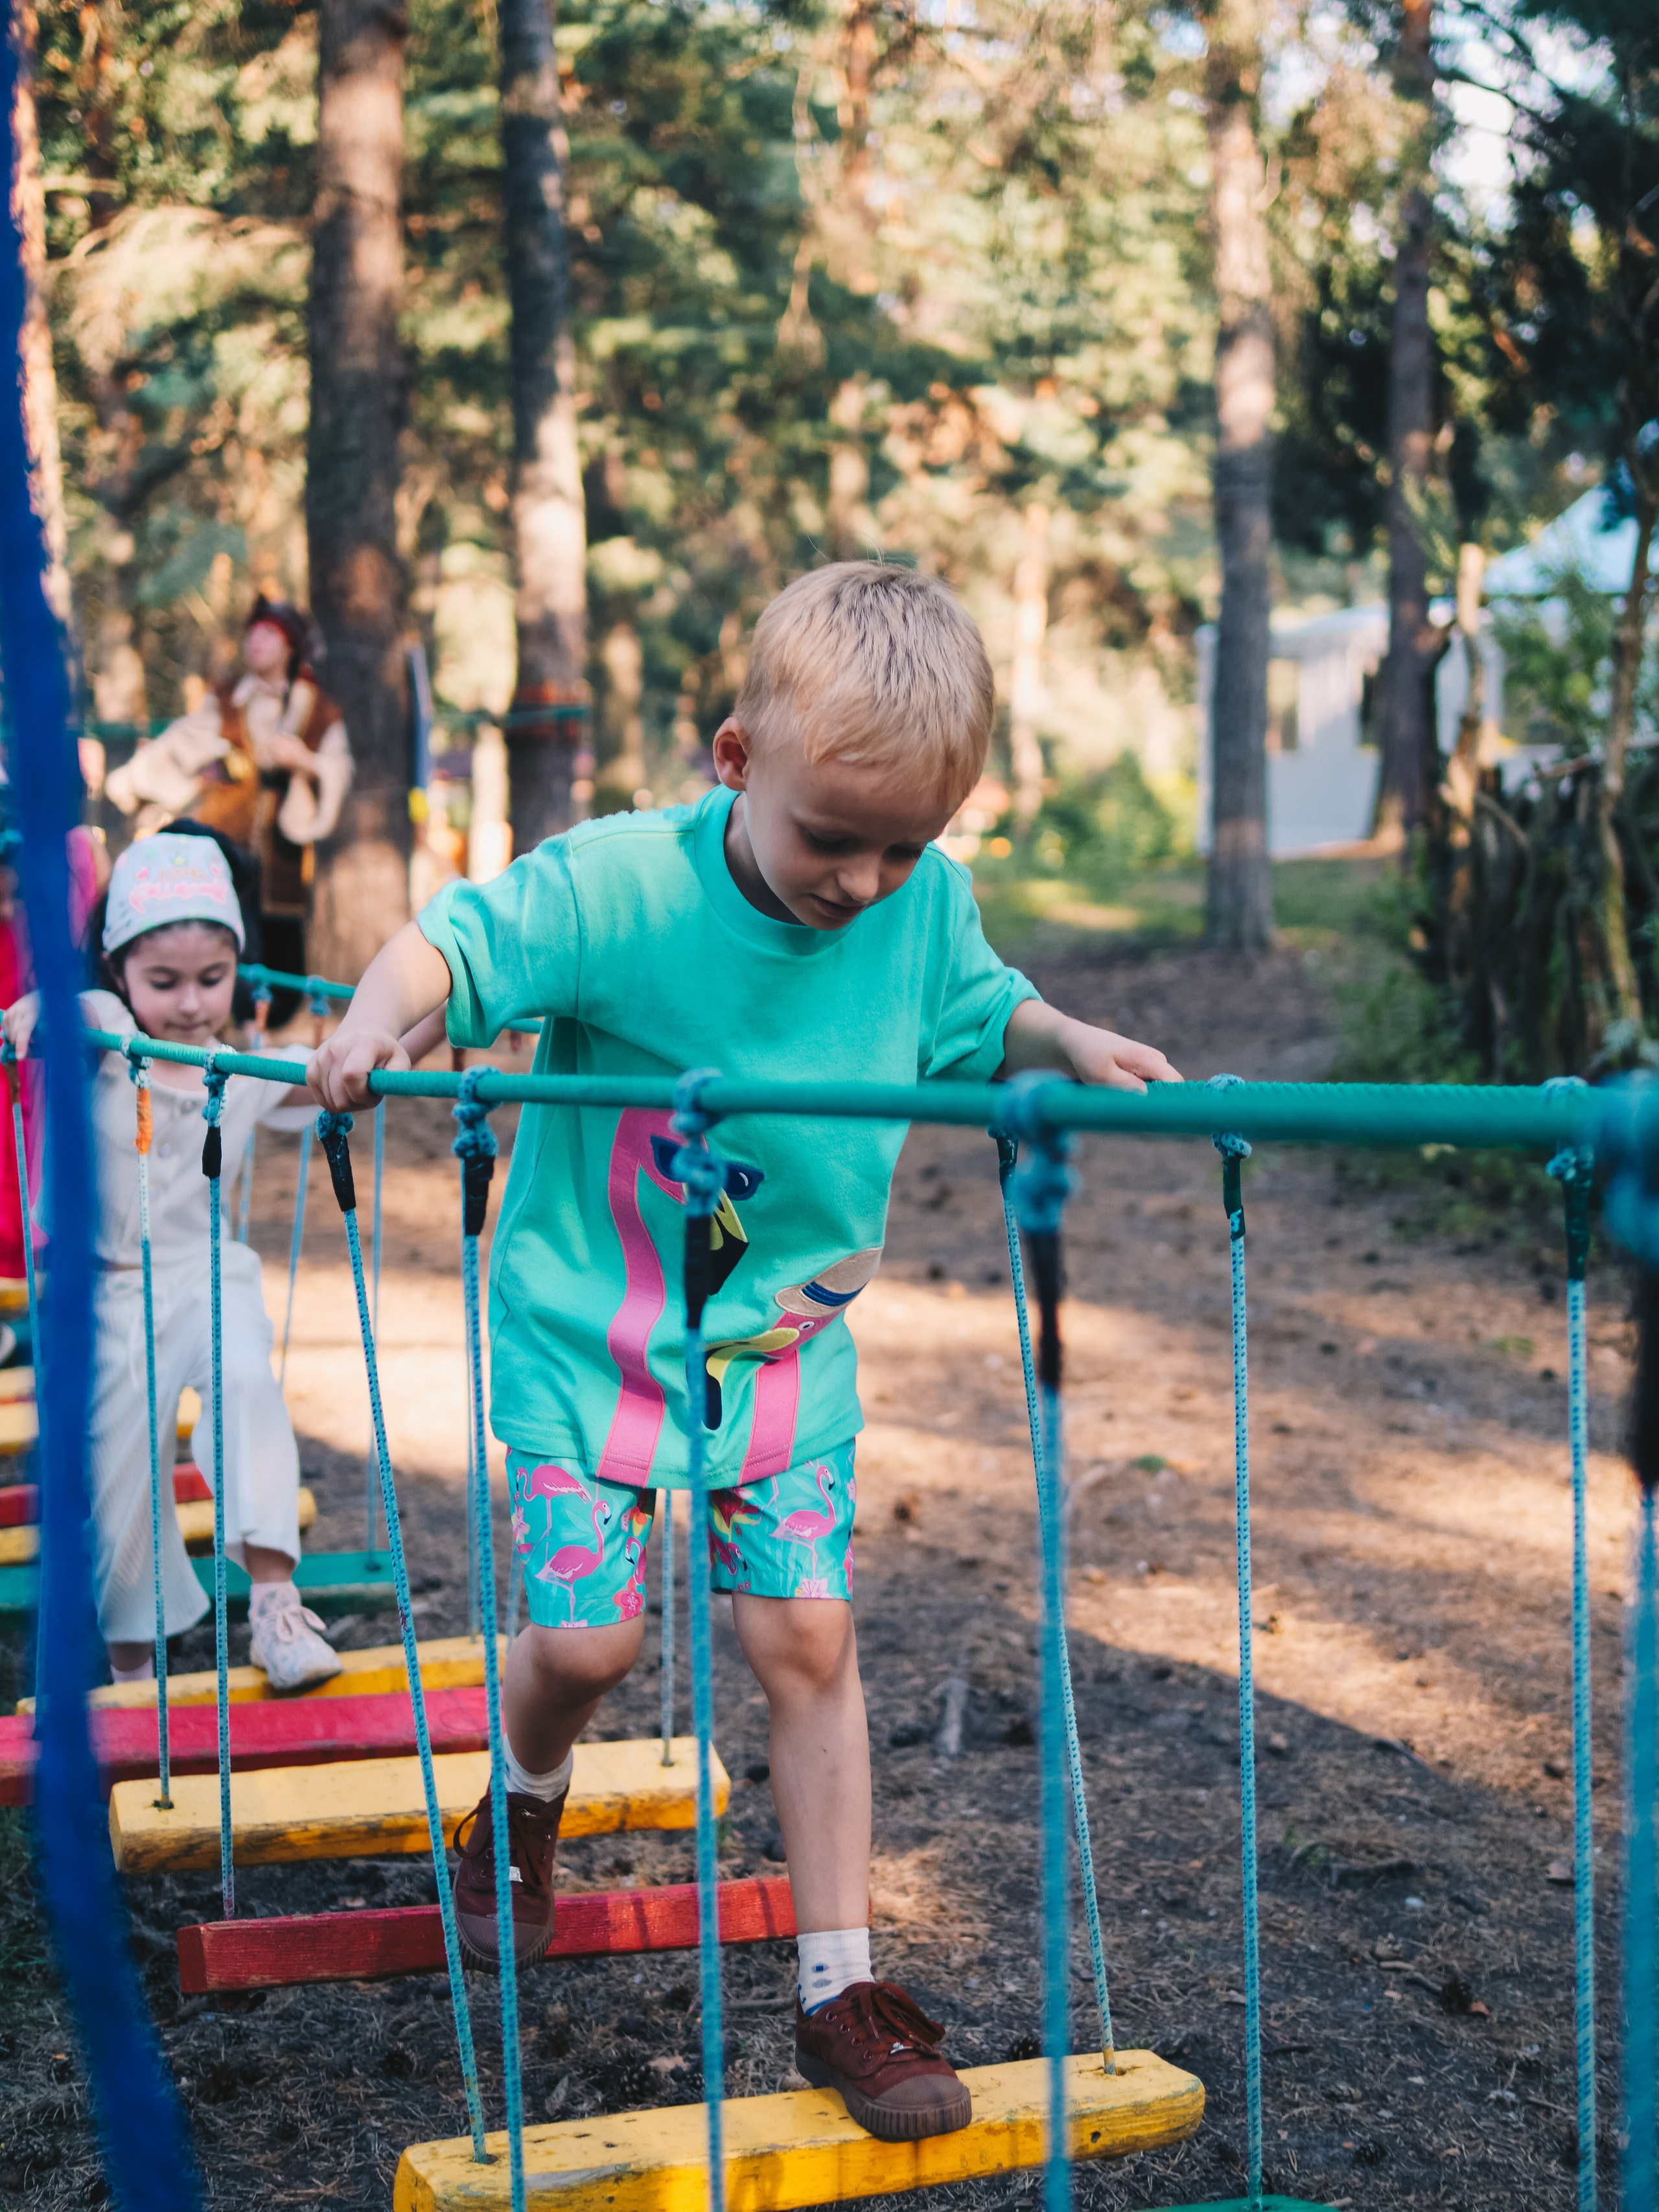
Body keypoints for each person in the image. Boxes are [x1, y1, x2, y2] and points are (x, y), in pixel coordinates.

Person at [308, 563, 1179, 2141]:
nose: (864, 880)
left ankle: (839, 1982)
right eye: (831, 837)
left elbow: (982, 1008)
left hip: (780, 1349)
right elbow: (455, 941)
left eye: (903, 845)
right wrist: (380, 1023)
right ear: (733, 759)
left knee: (806, 1639)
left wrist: (1064, 1040)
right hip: (590, 1338)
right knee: (588, 1645)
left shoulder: (920, 907)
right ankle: (520, 1796)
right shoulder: (621, 886)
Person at [6, 835, 364, 1689]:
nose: (193, 1002)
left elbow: (337, 1075)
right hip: (104, 1295)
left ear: (237, 966)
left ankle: (276, 1605)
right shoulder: (107, 1037)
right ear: (121, 970)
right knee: (119, 1477)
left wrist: (409, 1030)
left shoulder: (239, 1067)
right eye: (164, 981)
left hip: (206, 1273)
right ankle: (132, 1664)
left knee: (246, 1381)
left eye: (213, 977)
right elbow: (75, 1008)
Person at [104, 597, 353, 1027]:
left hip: (283, 853)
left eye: (269, 634)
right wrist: (134, 782)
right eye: (253, 633)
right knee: (224, 933)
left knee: (280, 942)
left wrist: (304, 762)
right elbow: (180, 744)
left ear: (290, 646)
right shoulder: (225, 700)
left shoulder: (319, 709)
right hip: (225, 843)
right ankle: (225, 1023)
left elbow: (337, 767)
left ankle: (267, 1028)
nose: (256, 642)